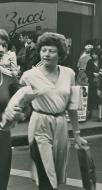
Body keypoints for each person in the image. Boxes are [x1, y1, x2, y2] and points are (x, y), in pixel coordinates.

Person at [20, 32, 87, 190]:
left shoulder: (69, 73)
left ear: (60, 53)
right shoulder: (28, 76)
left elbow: (72, 105)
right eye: (43, 50)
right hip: (39, 124)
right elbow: (18, 101)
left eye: (51, 51)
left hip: (61, 125)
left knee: (55, 174)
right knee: (46, 175)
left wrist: (76, 134)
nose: (46, 54)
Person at [0, 29, 25, 190]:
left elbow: (26, 107)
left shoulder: (9, 78)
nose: (1, 49)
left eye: (4, 45)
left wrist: (19, 113)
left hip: (2, 138)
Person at [85, 48, 102, 121]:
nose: (94, 55)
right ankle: (88, 114)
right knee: (90, 99)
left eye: (95, 54)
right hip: (92, 82)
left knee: (100, 99)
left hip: (100, 83)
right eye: (93, 54)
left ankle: (100, 116)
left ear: (98, 54)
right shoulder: (89, 62)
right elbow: (87, 71)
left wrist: (100, 74)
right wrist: (92, 73)